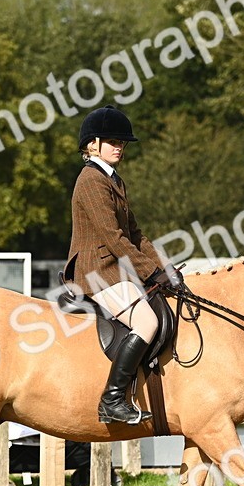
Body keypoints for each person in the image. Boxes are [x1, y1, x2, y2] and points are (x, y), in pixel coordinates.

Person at [65, 105, 181, 425]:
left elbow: (136, 235)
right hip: (95, 271)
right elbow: (115, 239)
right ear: (93, 145)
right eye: (112, 141)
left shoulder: (114, 180)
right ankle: (112, 399)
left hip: (112, 269)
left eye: (122, 142)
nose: (119, 146)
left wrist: (165, 268)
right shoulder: (91, 180)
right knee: (146, 322)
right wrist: (150, 272)